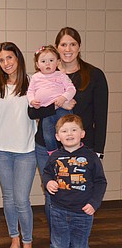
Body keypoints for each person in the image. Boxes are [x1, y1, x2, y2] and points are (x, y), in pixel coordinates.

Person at [28, 26, 109, 241]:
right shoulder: (45, 74)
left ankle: (78, 242)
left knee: (80, 194)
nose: (68, 48)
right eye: (63, 44)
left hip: (82, 147)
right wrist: (56, 106)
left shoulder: (94, 75)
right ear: (56, 47)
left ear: (79, 47)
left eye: (72, 44)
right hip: (48, 145)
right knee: (52, 193)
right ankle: (58, 241)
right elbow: (32, 111)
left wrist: (98, 150)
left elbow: (101, 116)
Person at [0, 42, 37, 248]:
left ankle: (27, 240)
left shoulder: (33, 82)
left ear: (18, 58)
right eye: (1, 60)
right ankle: (14, 238)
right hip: (1, 150)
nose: (6, 63)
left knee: (21, 199)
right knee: (8, 197)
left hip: (26, 151)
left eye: (9, 57)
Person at [42, 114, 107, 248]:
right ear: (57, 137)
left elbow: (100, 182)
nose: (69, 134)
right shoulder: (54, 157)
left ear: (82, 133)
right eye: (64, 131)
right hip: (57, 210)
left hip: (82, 212)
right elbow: (47, 173)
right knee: (58, 244)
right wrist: (48, 182)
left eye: (74, 130)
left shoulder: (91, 157)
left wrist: (94, 203)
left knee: (80, 245)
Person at [27, 45, 76, 155]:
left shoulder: (61, 75)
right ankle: (52, 154)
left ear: (58, 62)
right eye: (43, 61)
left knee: (67, 130)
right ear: (37, 64)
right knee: (48, 134)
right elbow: (30, 92)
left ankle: (69, 151)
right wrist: (32, 101)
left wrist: (63, 98)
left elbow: (71, 89)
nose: (47, 64)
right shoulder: (35, 77)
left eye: (51, 60)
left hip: (62, 109)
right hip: (46, 111)